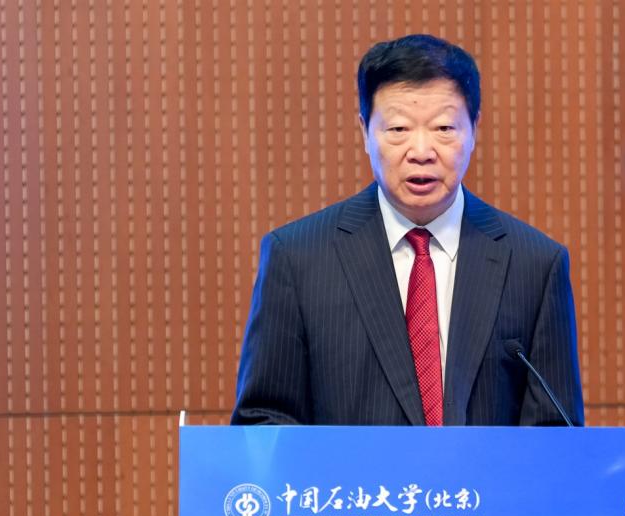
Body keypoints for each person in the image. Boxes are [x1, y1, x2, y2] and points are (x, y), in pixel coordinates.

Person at [231, 34, 583, 426]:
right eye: (398, 129)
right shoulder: (298, 259)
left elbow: (555, 433)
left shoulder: (534, 265)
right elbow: (263, 423)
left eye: (444, 128)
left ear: (474, 128)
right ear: (365, 132)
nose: (421, 151)